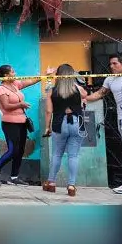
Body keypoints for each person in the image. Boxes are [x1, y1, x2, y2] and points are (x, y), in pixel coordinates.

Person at [0, 64, 42, 186]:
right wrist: (21, 104)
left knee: (20, 151)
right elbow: (6, 106)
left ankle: (14, 176)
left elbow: (30, 81)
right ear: (6, 75)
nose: (15, 73)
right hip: (9, 123)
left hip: (22, 123)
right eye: (12, 72)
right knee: (12, 150)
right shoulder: (1, 89)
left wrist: (44, 76)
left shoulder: (15, 84)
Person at [85, 54, 122, 194]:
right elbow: (100, 93)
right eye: (110, 64)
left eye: (115, 63)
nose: (112, 66)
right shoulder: (110, 79)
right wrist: (84, 98)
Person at [42, 64, 89, 196]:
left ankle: (51, 183)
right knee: (73, 155)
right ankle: (71, 185)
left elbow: (48, 111)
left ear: (58, 75)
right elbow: (85, 94)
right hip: (76, 122)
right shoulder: (78, 88)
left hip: (59, 123)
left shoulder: (52, 91)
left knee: (57, 154)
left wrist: (47, 127)